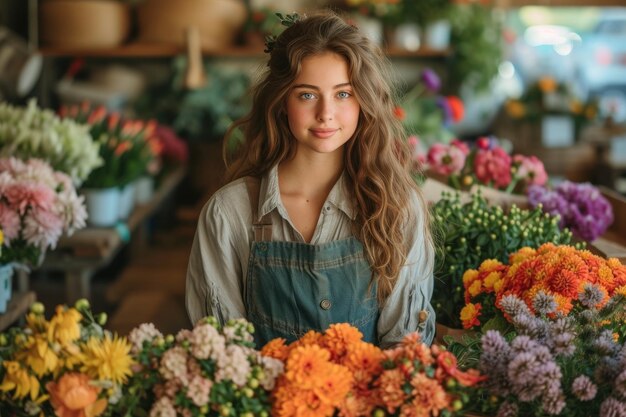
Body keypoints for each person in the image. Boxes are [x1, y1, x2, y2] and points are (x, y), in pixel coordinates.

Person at [185, 11, 435, 348]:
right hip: (264, 399)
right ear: (281, 102)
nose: (326, 113)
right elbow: (224, 353)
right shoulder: (229, 213)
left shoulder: (396, 206)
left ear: (364, 100)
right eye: (307, 94)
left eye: (343, 94)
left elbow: (406, 346)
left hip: (370, 397)